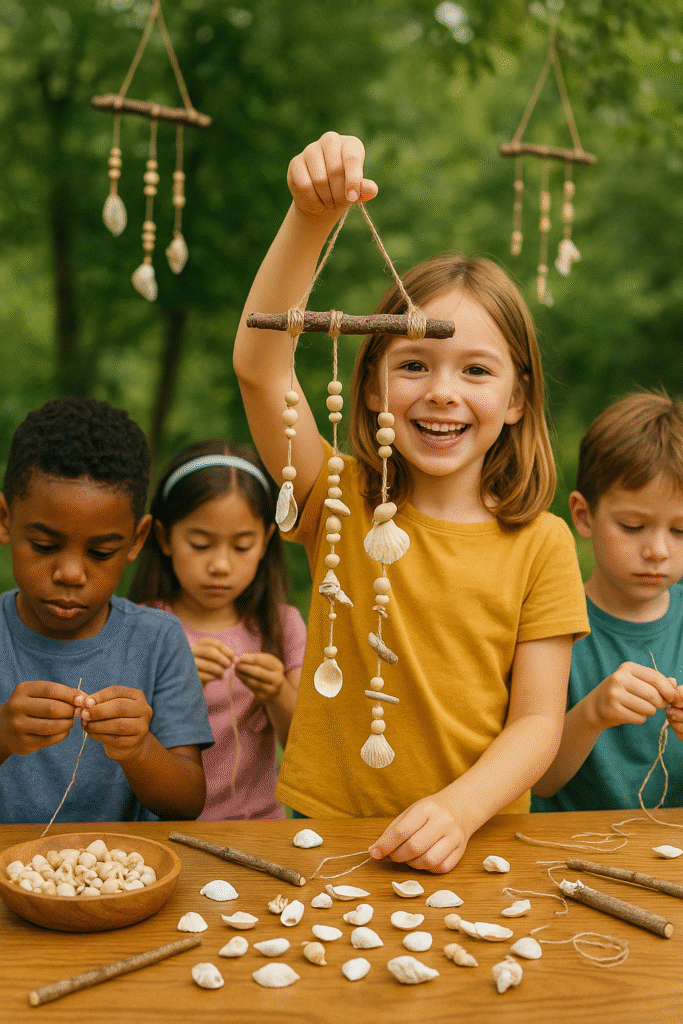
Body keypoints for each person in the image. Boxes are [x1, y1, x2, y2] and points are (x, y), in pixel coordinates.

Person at [232, 131, 589, 873]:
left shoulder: (543, 542)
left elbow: (535, 723)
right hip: (327, 834)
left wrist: (458, 811)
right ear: (368, 385)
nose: (441, 392)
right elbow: (259, 369)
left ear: (518, 397)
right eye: (415, 363)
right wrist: (309, 216)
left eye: (477, 370)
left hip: (479, 841)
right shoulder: (338, 498)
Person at [0, 397, 214, 825]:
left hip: (120, 881)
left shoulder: (158, 640)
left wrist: (139, 749)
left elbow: (187, 801)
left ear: (137, 540)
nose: (70, 573)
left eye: (100, 552)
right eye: (45, 546)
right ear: (5, 520)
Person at [129, 439, 306, 820]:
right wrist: (173, 679)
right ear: (164, 538)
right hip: (157, 830)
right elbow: (118, 737)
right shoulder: (143, 626)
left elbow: (308, 748)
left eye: (241, 546)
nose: (220, 565)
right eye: (200, 544)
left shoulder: (282, 626)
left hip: (255, 829)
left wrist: (278, 692)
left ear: (265, 542)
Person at [532, 391, 683, 812]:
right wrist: (593, 713)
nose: (657, 550)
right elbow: (538, 783)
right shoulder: (549, 626)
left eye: (681, 531)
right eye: (632, 526)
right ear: (583, 515)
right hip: (567, 854)